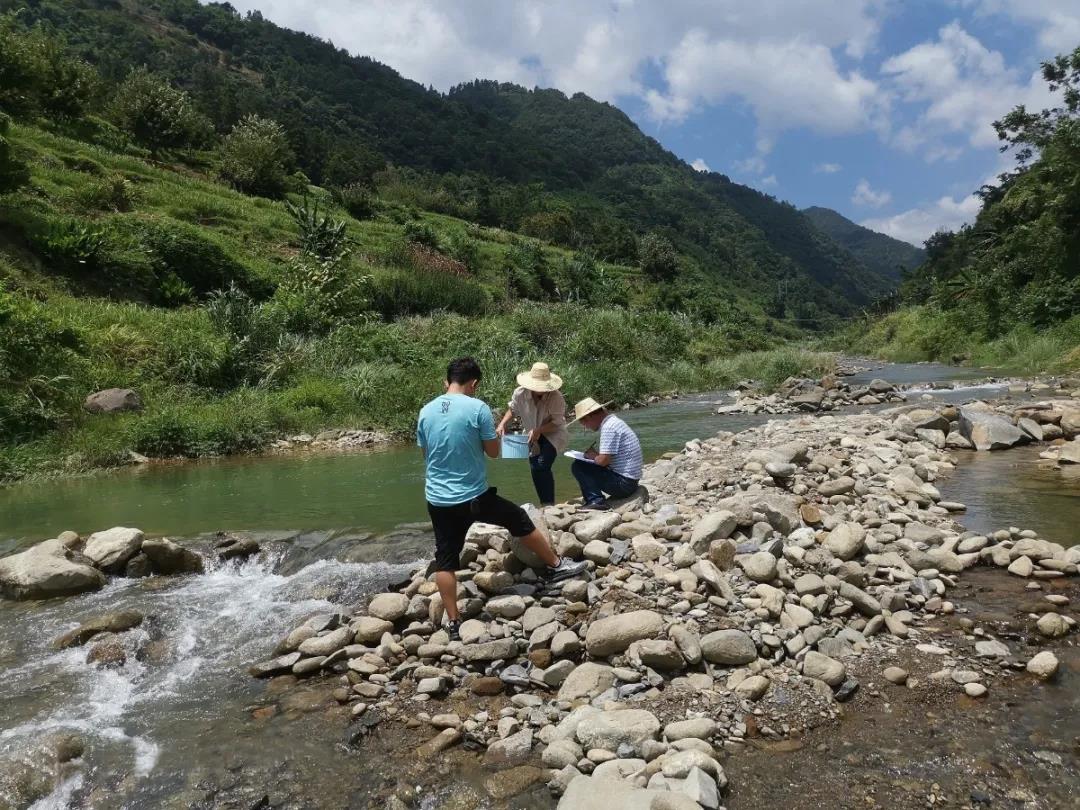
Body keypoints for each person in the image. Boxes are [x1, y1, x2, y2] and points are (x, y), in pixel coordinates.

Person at [417, 357, 588, 640]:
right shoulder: (477, 408)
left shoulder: (426, 410)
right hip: (473, 495)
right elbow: (494, 452)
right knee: (518, 519)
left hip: (437, 499)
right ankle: (557, 567)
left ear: (446, 382)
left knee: (445, 559)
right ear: (474, 383)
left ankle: (454, 622)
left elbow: (426, 454)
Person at [495, 362, 569, 506]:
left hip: (553, 433)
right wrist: (502, 424)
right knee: (535, 467)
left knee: (542, 465)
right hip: (531, 432)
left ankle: (549, 503)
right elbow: (513, 409)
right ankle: (545, 503)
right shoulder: (520, 393)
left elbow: (557, 422)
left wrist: (539, 430)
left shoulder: (556, 397)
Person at [570, 397, 643, 510]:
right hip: (630, 481)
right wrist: (595, 456)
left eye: (584, 423)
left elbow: (603, 461)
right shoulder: (614, 422)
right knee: (584, 464)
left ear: (589, 417)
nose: (586, 427)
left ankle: (596, 501)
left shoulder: (608, 427)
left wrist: (591, 456)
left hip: (624, 485)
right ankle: (593, 498)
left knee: (578, 466)